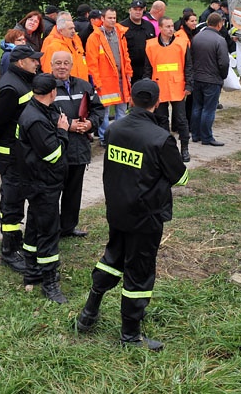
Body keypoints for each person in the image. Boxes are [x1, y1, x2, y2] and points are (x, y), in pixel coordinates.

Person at [75, 79, 189, 350]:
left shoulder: (114, 129)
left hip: (117, 210)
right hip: (145, 216)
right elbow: (180, 177)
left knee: (111, 257)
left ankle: (89, 312)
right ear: (157, 103)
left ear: (132, 99)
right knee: (139, 272)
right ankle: (130, 335)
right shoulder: (160, 138)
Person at [0, 44, 41, 272]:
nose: (37, 63)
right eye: (33, 60)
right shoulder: (11, 87)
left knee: (16, 194)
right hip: (10, 152)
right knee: (12, 197)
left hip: (19, 150)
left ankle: (14, 239)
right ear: (21, 62)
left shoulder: (23, 80)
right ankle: (9, 250)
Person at [17, 72, 70, 303]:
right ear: (52, 92)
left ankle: (32, 273)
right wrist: (63, 132)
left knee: (34, 226)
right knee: (48, 231)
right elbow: (53, 154)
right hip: (43, 182)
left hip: (37, 180)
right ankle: (50, 283)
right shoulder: (36, 119)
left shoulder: (36, 110)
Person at [50, 50, 104, 238]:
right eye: (58, 63)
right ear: (51, 65)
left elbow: (98, 109)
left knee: (74, 192)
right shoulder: (46, 87)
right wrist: (67, 126)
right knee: (52, 193)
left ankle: (68, 227)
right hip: (56, 149)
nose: (62, 66)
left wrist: (90, 124)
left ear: (72, 66)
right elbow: (41, 111)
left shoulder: (84, 86)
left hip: (79, 149)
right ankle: (51, 228)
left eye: (66, 63)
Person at [144, 17, 193, 162]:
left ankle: (185, 149)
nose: (171, 29)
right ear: (160, 28)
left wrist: (189, 85)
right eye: (167, 27)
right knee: (161, 120)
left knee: (181, 120)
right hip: (159, 88)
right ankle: (168, 149)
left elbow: (188, 66)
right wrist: (148, 87)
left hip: (178, 87)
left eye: (172, 26)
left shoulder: (182, 44)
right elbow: (148, 69)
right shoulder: (151, 45)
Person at [86, 7, 132, 147]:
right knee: (104, 112)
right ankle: (105, 138)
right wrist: (97, 82)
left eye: (114, 18)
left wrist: (128, 73)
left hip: (121, 78)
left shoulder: (120, 34)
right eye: (110, 18)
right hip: (104, 81)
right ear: (103, 19)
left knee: (122, 111)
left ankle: (119, 137)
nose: (113, 20)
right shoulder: (95, 37)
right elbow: (92, 63)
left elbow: (125, 56)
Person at [190, 13, 229, 147]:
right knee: (209, 109)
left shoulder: (196, 38)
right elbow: (224, 62)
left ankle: (195, 135)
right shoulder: (219, 40)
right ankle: (207, 137)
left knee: (197, 107)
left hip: (197, 78)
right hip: (212, 79)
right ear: (219, 24)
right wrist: (223, 76)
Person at [40, 12, 88, 79]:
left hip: (80, 82)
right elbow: (47, 67)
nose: (73, 30)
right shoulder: (51, 42)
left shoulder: (76, 39)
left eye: (70, 21)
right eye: (66, 21)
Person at [119, 0, 156, 84]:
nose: (138, 12)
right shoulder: (121, 27)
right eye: (135, 9)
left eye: (140, 10)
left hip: (146, 69)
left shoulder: (149, 26)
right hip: (129, 69)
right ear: (130, 10)